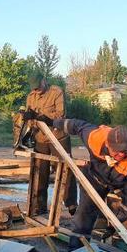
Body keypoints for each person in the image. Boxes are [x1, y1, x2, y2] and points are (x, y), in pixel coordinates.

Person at [44, 117, 127, 252]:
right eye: (118, 151)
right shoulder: (95, 136)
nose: (121, 154)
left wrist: (117, 220)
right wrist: (51, 122)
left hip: (125, 182)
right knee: (84, 214)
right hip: (96, 177)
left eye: (125, 151)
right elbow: (75, 125)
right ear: (108, 144)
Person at [25, 75, 77, 215]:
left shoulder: (56, 92)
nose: (37, 91)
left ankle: (71, 204)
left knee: (66, 170)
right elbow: (31, 118)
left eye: (39, 87)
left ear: (44, 81)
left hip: (58, 138)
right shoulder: (31, 96)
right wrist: (28, 119)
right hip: (40, 139)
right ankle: (40, 206)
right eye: (34, 89)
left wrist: (46, 118)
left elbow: (61, 115)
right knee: (39, 173)